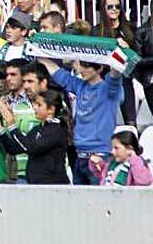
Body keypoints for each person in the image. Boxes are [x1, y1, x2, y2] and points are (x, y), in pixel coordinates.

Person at [38, 57, 123, 185]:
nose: (81, 69)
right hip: (79, 155)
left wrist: (119, 54)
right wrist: (39, 53)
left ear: (99, 68)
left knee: (100, 196)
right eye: (81, 65)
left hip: (100, 155)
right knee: (79, 197)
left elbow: (116, 74)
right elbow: (58, 73)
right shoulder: (80, 85)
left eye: (86, 66)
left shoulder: (109, 89)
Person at [0, 89, 69, 185]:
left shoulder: (55, 130)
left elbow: (30, 148)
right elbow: (14, 149)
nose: (34, 107)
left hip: (52, 185)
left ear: (51, 109)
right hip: (35, 184)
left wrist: (12, 125)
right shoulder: (38, 129)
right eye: (34, 104)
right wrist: (0, 129)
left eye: (39, 105)